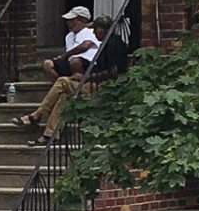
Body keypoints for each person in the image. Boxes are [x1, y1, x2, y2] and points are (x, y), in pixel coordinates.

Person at [15, 15, 128, 146]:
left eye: (95, 30)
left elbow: (114, 72)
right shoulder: (106, 43)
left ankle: (38, 114)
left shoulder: (115, 45)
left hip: (104, 88)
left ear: (102, 30)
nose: (93, 32)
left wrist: (86, 77)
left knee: (62, 81)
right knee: (63, 96)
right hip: (94, 83)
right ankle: (50, 135)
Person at [38, 6, 99, 80]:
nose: (68, 22)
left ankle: (81, 84)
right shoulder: (69, 36)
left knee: (75, 62)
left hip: (88, 63)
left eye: (72, 20)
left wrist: (64, 55)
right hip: (70, 62)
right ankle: (62, 83)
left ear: (81, 20)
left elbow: (84, 46)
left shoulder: (91, 32)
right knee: (47, 64)